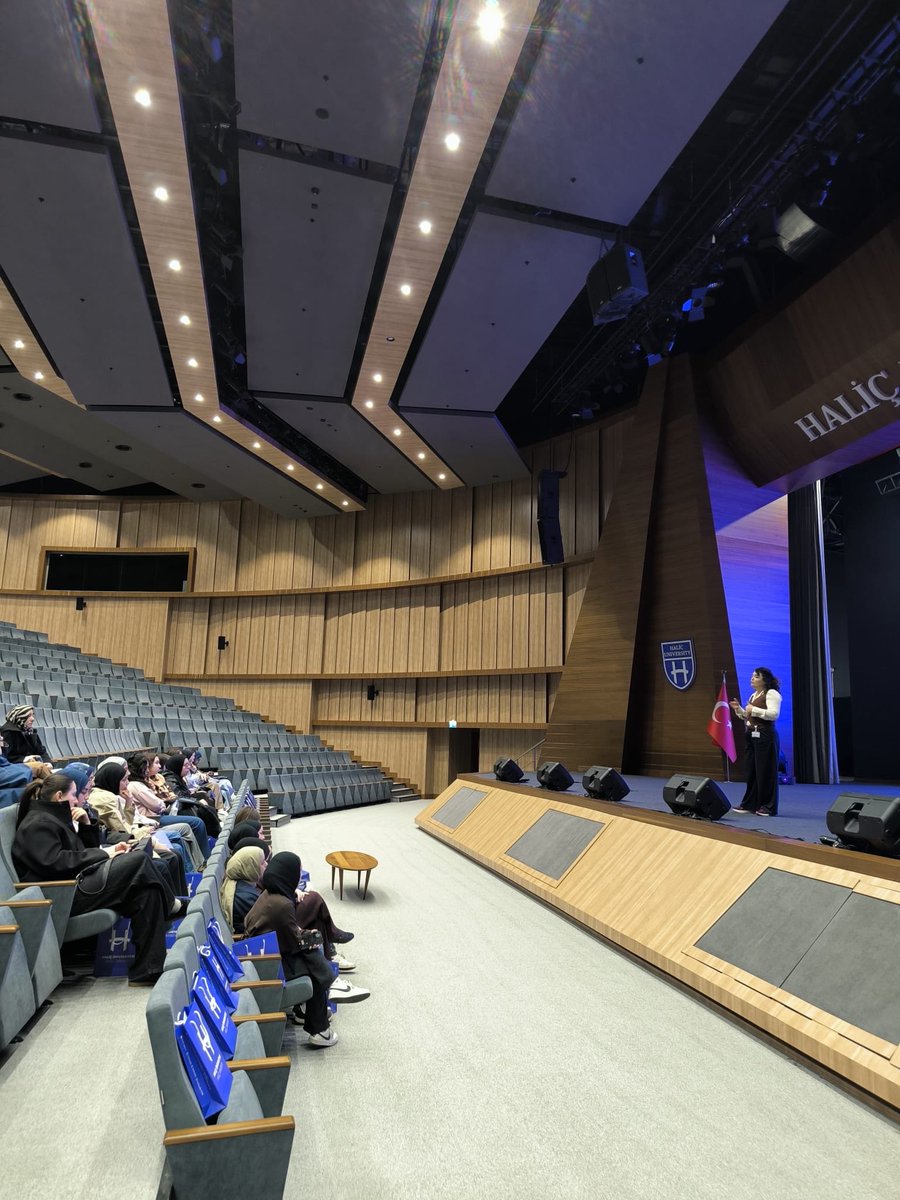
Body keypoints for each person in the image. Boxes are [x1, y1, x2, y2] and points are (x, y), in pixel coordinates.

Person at [12, 773, 175, 984]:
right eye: (74, 794)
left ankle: (149, 968)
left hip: (78, 884)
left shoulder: (55, 818)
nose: (79, 800)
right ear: (59, 796)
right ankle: (172, 903)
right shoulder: (37, 823)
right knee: (138, 861)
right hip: (63, 895)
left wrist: (86, 823)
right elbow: (55, 863)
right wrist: (106, 854)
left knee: (147, 892)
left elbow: (83, 852)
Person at [243, 852, 369, 1048]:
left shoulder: (270, 895)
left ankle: (320, 1007)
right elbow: (295, 943)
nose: (300, 875)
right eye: (297, 871)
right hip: (266, 966)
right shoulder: (282, 905)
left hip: (262, 956)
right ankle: (320, 1028)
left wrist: (305, 935)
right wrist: (308, 937)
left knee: (312, 947)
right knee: (313, 962)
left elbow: (287, 934)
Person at [126, 753, 207, 870]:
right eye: (146, 767)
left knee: (193, 815)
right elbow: (157, 805)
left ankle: (200, 864)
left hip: (155, 817)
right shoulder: (135, 786)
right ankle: (198, 865)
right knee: (194, 823)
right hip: (154, 819)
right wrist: (162, 804)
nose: (148, 771)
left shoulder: (150, 781)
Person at [730, 668, 783, 816]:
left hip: (765, 735)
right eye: (752, 676)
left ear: (764, 680)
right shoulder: (754, 695)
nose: (752, 678)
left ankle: (768, 807)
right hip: (751, 735)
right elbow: (747, 716)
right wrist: (739, 709)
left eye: (756, 676)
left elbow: (773, 714)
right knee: (752, 771)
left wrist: (753, 709)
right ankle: (750, 804)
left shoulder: (771, 693)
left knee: (765, 771)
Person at [220, 846, 267, 935]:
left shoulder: (241, 882)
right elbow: (267, 920)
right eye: (262, 862)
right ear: (250, 867)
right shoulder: (245, 896)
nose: (266, 864)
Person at [1, 729, 47, 808]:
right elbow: (10, 758)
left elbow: (41, 750)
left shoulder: (31, 732)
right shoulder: (8, 731)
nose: (1, 738)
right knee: (38, 785)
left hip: (10, 769)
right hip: (8, 773)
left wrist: (49, 762)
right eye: (29, 716)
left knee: (40, 782)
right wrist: (24, 763)